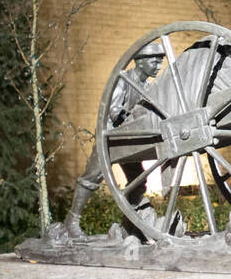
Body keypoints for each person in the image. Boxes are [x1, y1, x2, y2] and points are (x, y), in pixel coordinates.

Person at [63, 40, 172, 239]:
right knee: (91, 179)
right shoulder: (123, 80)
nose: (159, 66)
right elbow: (114, 110)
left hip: (128, 139)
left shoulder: (147, 87)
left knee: (138, 182)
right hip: (111, 139)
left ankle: (130, 224)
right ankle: (72, 221)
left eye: (161, 62)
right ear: (139, 62)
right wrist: (129, 119)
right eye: (155, 62)